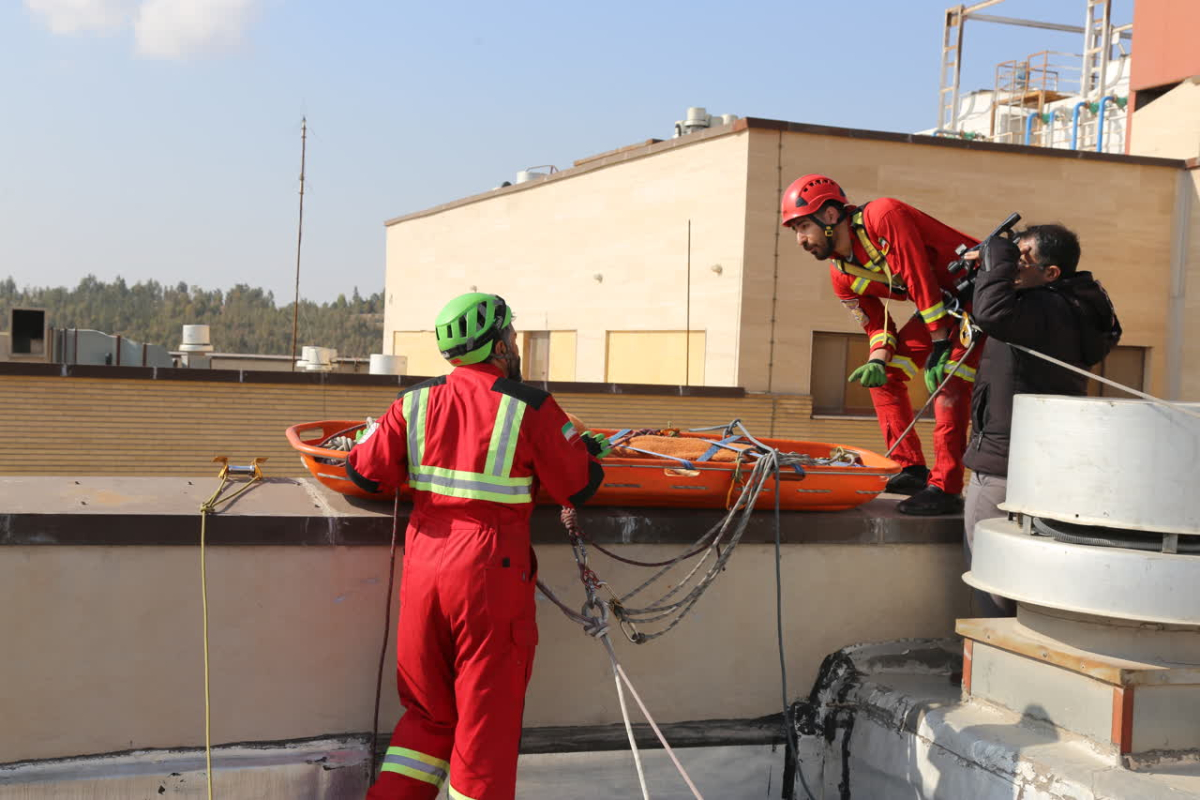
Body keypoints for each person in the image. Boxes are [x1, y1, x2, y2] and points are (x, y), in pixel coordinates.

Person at [347, 292, 608, 799]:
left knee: (427, 717)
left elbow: (365, 472)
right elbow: (577, 485)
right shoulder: (530, 405)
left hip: (425, 570)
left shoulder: (412, 402)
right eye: (510, 334)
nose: (514, 343)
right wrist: (585, 448)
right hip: (490, 574)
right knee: (484, 730)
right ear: (498, 345)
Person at [781, 174, 981, 515]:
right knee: (886, 376)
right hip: (943, 308)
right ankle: (911, 469)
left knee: (948, 382)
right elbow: (877, 325)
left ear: (829, 216)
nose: (800, 240)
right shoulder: (841, 275)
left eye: (802, 227)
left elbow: (918, 276)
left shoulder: (883, 216)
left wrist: (939, 344)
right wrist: (877, 358)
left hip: (978, 295)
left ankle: (947, 487)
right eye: (795, 231)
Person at [962, 224, 1121, 616]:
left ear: (1052, 274)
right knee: (1029, 578)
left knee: (990, 576)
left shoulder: (1043, 308)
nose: (1015, 262)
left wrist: (996, 254)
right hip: (1045, 465)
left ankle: (988, 665)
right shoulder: (1073, 308)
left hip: (1002, 466)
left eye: (1023, 255)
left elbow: (990, 311)